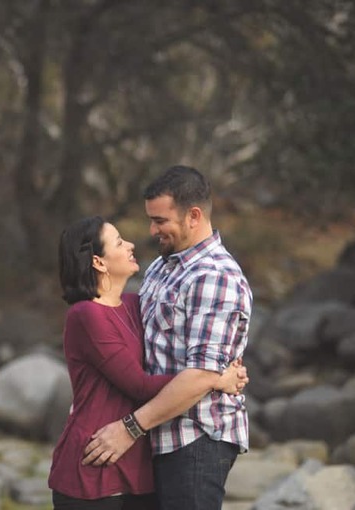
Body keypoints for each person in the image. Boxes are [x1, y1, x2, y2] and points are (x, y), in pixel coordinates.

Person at [81, 166, 253, 510]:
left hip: (194, 440)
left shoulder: (215, 277)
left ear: (194, 215)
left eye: (160, 221)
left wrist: (128, 428)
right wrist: (220, 378)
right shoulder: (163, 266)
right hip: (153, 435)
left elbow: (199, 375)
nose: (152, 230)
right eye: (151, 219)